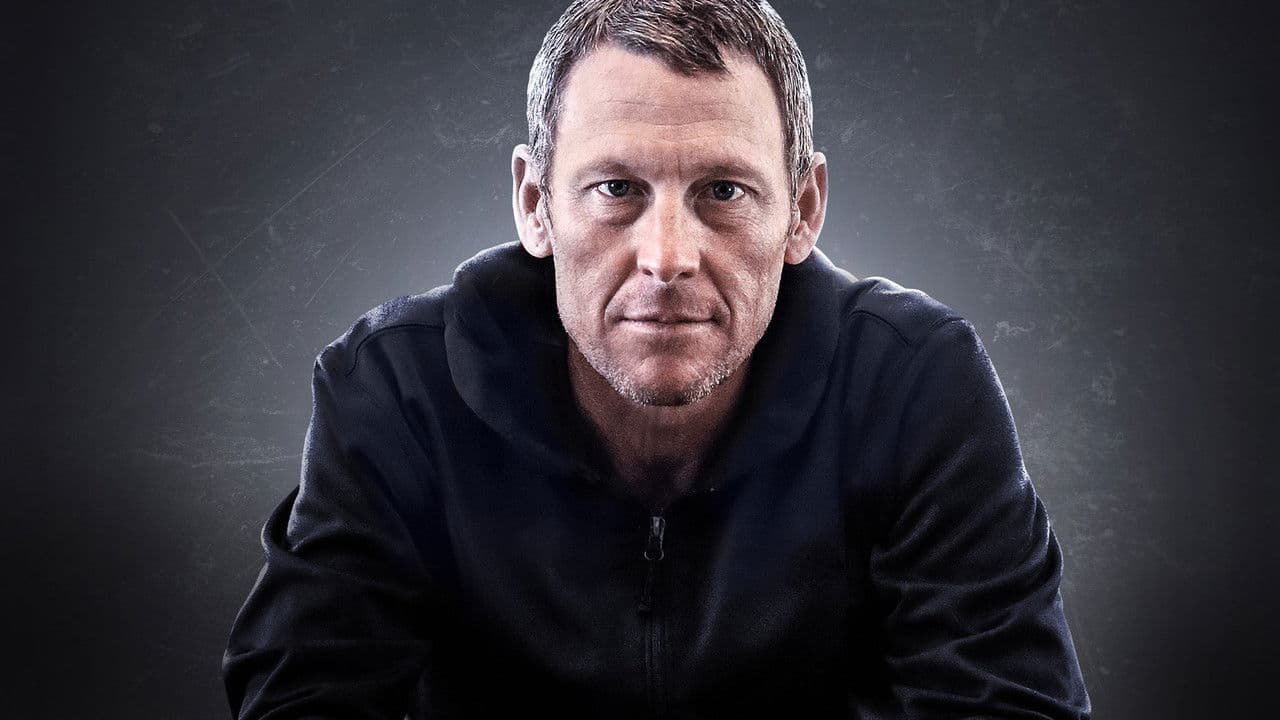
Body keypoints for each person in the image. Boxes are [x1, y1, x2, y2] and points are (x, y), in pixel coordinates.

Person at [223, 1, 1092, 718]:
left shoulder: (912, 384)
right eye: (616, 189)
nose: (668, 256)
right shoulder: (396, 391)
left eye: (723, 191)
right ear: (535, 205)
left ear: (802, 210)